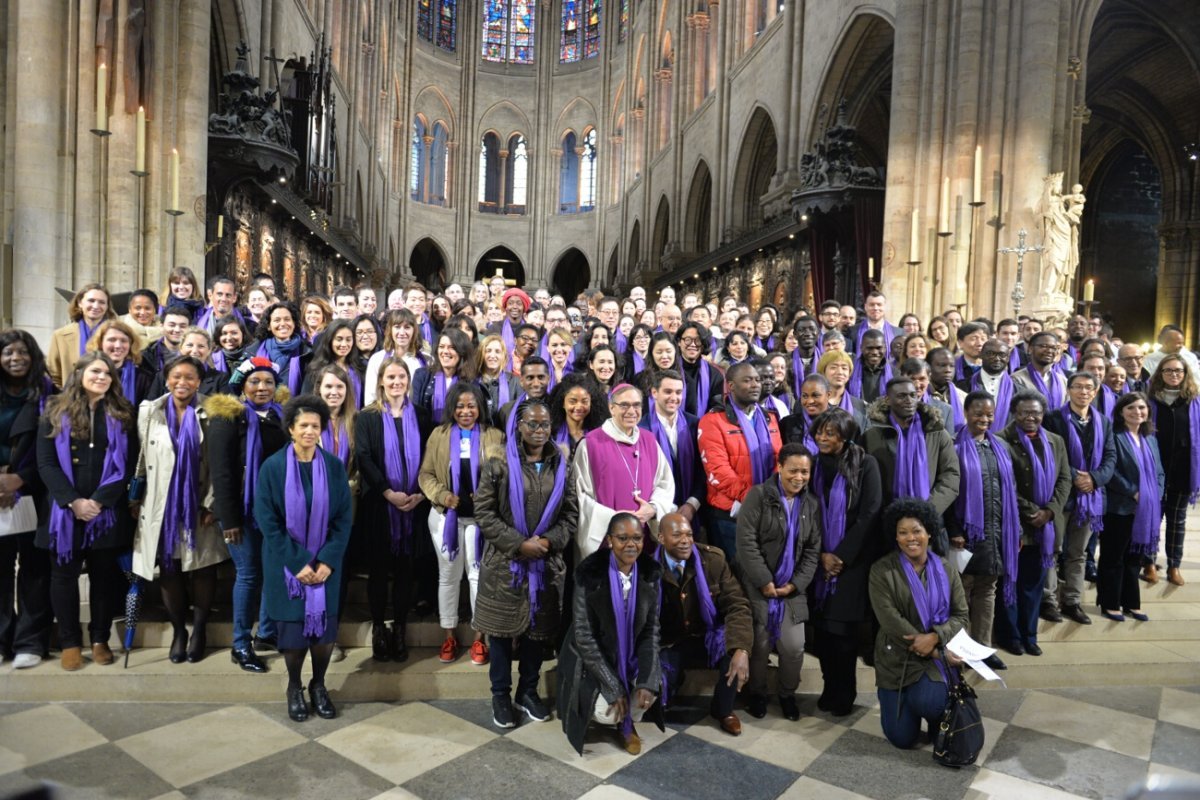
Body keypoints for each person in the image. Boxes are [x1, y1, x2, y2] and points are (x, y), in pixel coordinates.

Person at [474, 397, 578, 728]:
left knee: (538, 634)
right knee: (502, 636)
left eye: (544, 424)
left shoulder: (562, 462)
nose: (538, 430)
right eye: (531, 424)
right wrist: (519, 544)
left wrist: (548, 542)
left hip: (546, 565)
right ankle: (501, 696)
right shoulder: (499, 461)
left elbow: (571, 514)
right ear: (518, 426)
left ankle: (528, 691)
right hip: (506, 564)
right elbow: (484, 513)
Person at [36, 352, 138, 670]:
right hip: (63, 511)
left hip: (105, 511)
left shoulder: (122, 413)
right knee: (63, 577)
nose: (102, 377)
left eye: (107, 373)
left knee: (103, 578)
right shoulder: (54, 410)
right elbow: (46, 463)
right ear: (79, 373)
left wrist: (99, 501)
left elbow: (129, 463)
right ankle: (69, 642)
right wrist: (73, 501)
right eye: (95, 371)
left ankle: (99, 639)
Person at [255, 395, 353, 721]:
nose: (309, 431)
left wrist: (326, 561)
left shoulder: (334, 467)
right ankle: (295, 686)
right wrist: (298, 563)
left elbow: (343, 519)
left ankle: (319, 685)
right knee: (295, 638)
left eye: (315, 426)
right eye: (303, 426)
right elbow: (267, 520)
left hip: (327, 567)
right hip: (286, 567)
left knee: (324, 636)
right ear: (291, 429)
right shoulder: (273, 467)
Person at [130, 355, 228, 664]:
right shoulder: (150, 410)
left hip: (199, 505)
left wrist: (213, 503)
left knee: (201, 568)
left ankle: (199, 630)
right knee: (169, 569)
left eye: (189, 377)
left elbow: (220, 464)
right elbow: (143, 455)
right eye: (176, 376)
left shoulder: (213, 410)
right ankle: (178, 632)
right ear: (167, 378)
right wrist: (136, 495)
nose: (182, 382)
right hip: (161, 505)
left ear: (199, 382)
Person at [205, 357, 289, 672]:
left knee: (273, 570)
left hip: (275, 510)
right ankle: (240, 643)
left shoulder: (282, 415)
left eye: (268, 381)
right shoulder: (229, 418)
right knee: (249, 573)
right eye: (255, 381)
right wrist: (230, 520)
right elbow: (222, 472)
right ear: (243, 385)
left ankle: (266, 633)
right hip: (241, 510)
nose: (262, 387)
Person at [557, 512, 664, 756]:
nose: (631, 544)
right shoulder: (589, 575)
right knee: (605, 710)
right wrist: (613, 685)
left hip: (631, 655)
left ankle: (627, 723)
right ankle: (609, 717)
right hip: (594, 658)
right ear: (609, 541)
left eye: (637, 538)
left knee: (650, 689)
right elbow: (584, 637)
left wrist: (646, 679)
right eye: (622, 538)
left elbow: (651, 632)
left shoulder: (650, 576)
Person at [869, 498, 968, 749]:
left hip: (934, 661)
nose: (910, 538)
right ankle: (904, 705)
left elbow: (961, 615)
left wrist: (935, 637)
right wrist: (934, 649)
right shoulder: (881, 570)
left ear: (929, 533)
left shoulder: (946, 568)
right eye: (902, 533)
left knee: (933, 703)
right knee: (901, 738)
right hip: (897, 660)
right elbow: (891, 622)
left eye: (916, 531)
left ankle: (937, 717)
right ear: (896, 536)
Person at [418, 383, 504, 665]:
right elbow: (426, 474)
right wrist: (443, 495)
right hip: (446, 515)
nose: (465, 411)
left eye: (471, 406)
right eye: (459, 406)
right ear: (451, 408)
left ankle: (479, 641)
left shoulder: (494, 436)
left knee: (478, 577)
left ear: (480, 408)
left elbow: (503, 477)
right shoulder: (439, 435)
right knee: (449, 575)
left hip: (482, 519)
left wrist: (485, 494)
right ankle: (449, 637)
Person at [736, 443, 822, 721]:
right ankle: (758, 694)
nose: (799, 477)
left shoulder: (811, 504)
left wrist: (795, 584)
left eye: (805, 472)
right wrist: (763, 581)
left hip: (792, 591)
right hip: (758, 587)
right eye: (793, 471)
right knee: (759, 644)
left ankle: (787, 694)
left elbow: (812, 550)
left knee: (794, 646)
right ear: (780, 468)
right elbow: (746, 542)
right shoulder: (758, 496)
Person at [355, 356, 431, 662]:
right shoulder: (367, 417)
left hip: (415, 505)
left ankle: (400, 627)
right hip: (379, 505)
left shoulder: (423, 416)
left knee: (405, 569)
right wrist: (388, 492)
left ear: (408, 382)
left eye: (401, 377)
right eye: (391, 378)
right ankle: (378, 628)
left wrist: (419, 496)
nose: (396, 382)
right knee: (379, 570)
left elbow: (431, 456)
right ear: (381, 382)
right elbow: (364, 458)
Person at [807, 408, 883, 712]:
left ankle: (844, 693)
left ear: (846, 435)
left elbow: (871, 512)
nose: (822, 438)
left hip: (852, 562)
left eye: (830, 432)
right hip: (818, 560)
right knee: (822, 634)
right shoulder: (811, 465)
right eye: (819, 431)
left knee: (843, 635)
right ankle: (828, 688)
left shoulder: (866, 464)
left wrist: (840, 555)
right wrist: (821, 554)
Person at [655, 512, 752, 735]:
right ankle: (669, 688)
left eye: (688, 534)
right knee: (658, 692)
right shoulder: (649, 568)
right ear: (661, 538)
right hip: (672, 641)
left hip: (708, 636)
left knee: (735, 650)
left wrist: (742, 649)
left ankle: (723, 710)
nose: (685, 540)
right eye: (677, 534)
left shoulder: (713, 560)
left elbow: (737, 605)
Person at [945, 392, 1021, 672]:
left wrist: (1016, 530)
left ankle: (983, 649)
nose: (984, 419)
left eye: (989, 414)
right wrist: (953, 528)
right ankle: (960, 649)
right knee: (962, 593)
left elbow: (1009, 491)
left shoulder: (999, 446)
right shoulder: (952, 445)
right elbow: (949, 491)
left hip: (997, 532)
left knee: (988, 591)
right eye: (978, 413)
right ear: (965, 412)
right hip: (963, 534)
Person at [996, 391, 1071, 657]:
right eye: (1025, 412)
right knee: (1011, 583)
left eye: (1036, 412)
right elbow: (1005, 484)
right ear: (1014, 413)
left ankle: (1030, 634)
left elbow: (1065, 480)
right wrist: (1032, 512)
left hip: (1046, 527)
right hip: (1015, 524)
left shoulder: (1055, 441)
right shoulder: (1001, 441)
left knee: (1034, 585)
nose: (1031, 417)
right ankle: (1011, 636)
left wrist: (1050, 511)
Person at [1042, 372, 1116, 624]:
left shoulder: (1103, 421)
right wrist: (1075, 476)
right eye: (1078, 387)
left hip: (1090, 497)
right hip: (1061, 494)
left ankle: (1072, 601)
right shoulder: (1053, 419)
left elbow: (1110, 457)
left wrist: (1094, 479)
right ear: (1069, 390)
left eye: (1088, 388)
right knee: (1052, 550)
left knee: (1078, 553)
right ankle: (1049, 601)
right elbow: (1051, 454)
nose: (1083, 392)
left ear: (1095, 392)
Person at [572, 384, 675, 558]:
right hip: (606, 538)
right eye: (624, 405)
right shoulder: (591, 444)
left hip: (644, 536)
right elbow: (580, 496)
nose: (631, 411)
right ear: (611, 408)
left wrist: (653, 508)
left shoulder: (649, 440)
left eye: (636, 405)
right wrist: (613, 518)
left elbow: (665, 483)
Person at [0, 329, 53, 669]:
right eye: (7, 353)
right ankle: (3, 639)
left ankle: (31, 641)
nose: (15, 358)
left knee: (34, 568)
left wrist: (21, 477)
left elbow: (53, 445)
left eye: (22, 352)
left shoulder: (48, 394)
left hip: (33, 490)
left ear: (32, 357)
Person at [698, 361, 783, 562]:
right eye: (747, 380)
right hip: (730, 514)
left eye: (757, 380)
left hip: (767, 510)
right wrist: (753, 499)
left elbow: (779, 459)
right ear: (731, 386)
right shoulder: (712, 421)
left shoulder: (770, 418)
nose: (755, 385)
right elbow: (718, 470)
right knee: (738, 575)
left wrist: (770, 497)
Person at [1099, 392, 1163, 622]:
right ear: (1121, 412)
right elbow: (1111, 470)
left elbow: (1159, 471)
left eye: (1142, 408)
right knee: (1114, 557)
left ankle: (1131, 603)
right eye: (1131, 408)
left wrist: (1156, 493)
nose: (1138, 412)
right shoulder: (1114, 436)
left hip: (1146, 508)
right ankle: (1110, 603)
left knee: (1134, 558)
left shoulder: (1151, 438)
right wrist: (1133, 491)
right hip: (1120, 506)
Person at [864, 378, 960, 526]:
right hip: (884, 521)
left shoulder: (937, 432)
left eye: (912, 395)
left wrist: (928, 511)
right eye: (902, 396)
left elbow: (951, 475)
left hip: (929, 520)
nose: (909, 400)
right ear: (888, 400)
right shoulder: (872, 435)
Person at [1147, 355, 1198, 586]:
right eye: (1168, 370)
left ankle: (1174, 565)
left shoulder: (1194, 401)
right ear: (1160, 373)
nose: (1174, 374)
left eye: (1178, 371)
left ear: (1185, 374)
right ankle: (1148, 562)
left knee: (1177, 520)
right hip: (1153, 470)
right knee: (1152, 518)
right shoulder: (1150, 401)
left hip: (1182, 470)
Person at [639, 370, 704, 523]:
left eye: (678, 392)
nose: (674, 398)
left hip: (694, 510)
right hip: (657, 513)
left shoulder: (695, 424)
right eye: (668, 392)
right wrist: (661, 507)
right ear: (654, 392)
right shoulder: (641, 429)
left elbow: (703, 470)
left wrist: (692, 504)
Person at [47, 284, 116, 387]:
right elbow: (53, 375)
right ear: (80, 303)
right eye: (91, 301)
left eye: (102, 302)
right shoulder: (60, 335)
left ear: (107, 307)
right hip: (71, 399)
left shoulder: (117, 336)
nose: (96, 306)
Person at [364, 308, 429, 404]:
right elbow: (371, 398)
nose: (402, 333)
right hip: (383, 415)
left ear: (414, 330)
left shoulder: (426, 360)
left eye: (407, 327)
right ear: (390, 330)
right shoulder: (377, 359)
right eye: (397, 327)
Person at [411, 329, 476, 424]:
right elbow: (415, 412)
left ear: (462, 351)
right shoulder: (422, 375)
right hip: (427, 435)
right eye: (441, 347)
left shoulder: (472, 381)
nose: (445, 351)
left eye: (452, 347)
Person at [85, 319, 154, 406]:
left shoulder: (143, 379)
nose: (118, 345)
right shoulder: (85, 374)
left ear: (131, 345)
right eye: (112, 340)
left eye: (124, 341)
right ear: (100, 343)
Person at [254, 302, 312, 396]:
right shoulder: (253, 351)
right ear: (268, 326)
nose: (283, 324)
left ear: (294, 323)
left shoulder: (307, 353)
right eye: (277, 320)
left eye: (287, 319)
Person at [676, 322, 724, 417]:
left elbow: (716, 408)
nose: (693, 344)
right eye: (688, 340)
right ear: (679, 342)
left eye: (698, 340)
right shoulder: (670, 369)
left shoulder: (714, 374)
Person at [1013, 332, 1067, 408]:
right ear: (1030, 349)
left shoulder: (1063, 380)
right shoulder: (1017, 379)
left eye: (1053, 348)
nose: (1049, 351)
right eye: (1044, 346)